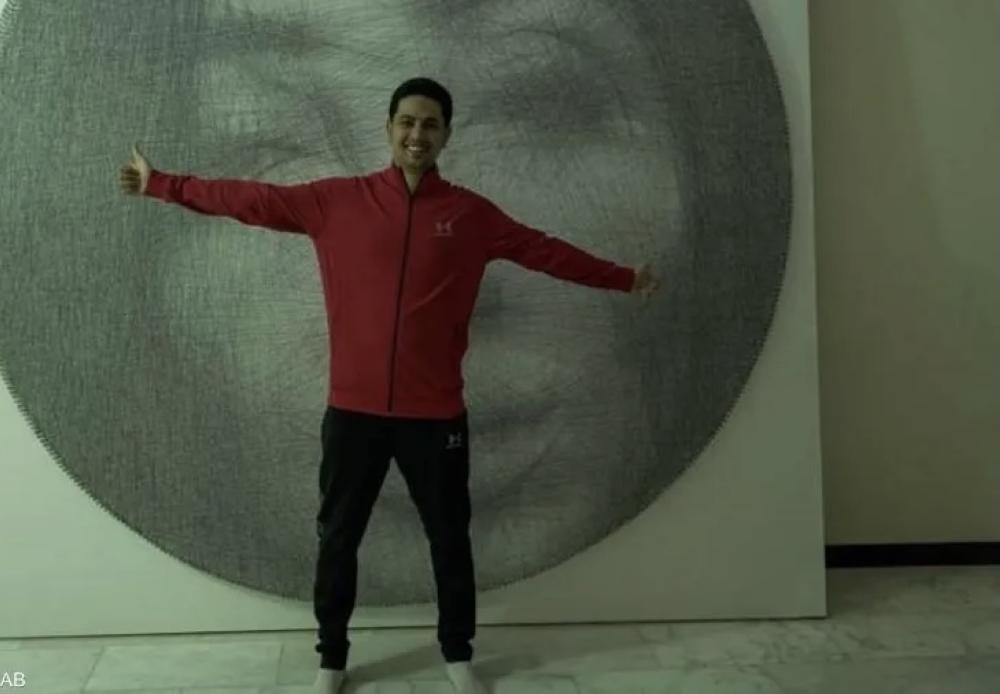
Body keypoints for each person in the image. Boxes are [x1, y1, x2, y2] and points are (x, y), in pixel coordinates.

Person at [120, 77, 659, 694]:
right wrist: (162, 184)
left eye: (430, 124)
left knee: (449, 540)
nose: (416, 134)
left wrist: (624, 278)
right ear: (388, 128)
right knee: (339, 539)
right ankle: (331, 660)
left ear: (446, 135)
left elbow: (545, 251)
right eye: (407, 122)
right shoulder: (335, 202)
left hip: (435, 417)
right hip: (354, 414)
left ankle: (457, 654)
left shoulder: (472, 216)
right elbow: (251, 199)